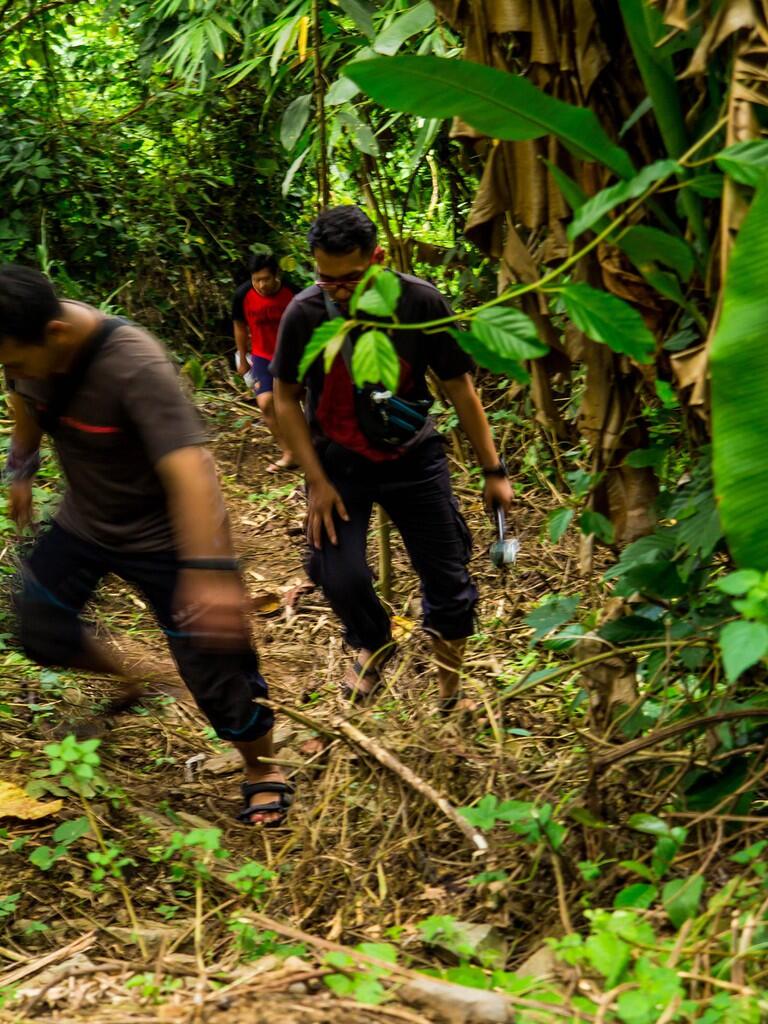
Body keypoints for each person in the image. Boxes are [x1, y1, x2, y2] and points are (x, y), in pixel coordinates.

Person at [0, 265, 293, 826]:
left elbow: (192, 468)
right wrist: (21, 470)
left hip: (165, 539)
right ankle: (134, 676)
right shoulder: (28, 353)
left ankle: (262, 768)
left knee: (215, 665)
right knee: (37, 621)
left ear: (56, 334)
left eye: (13, 361)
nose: (10, 373)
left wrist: (208, 571)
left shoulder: (134, 364)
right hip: (86, 523)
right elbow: (25, 405)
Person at [272, 206, 513, 709]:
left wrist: (494, 471)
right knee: (337, 573)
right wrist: (316, 480)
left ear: (377, 259)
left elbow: (460, 390)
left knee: (447, 581)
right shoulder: (305, 313)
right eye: (326, 279)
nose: (337, 289)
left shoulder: (419, 301)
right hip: (338, 462)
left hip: (413, 459)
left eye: (351, 279)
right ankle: (373, 637)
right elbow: (285, 396)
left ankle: (450, 694)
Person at [232, 252, 296, 472]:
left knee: (303, 400)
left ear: (276, 275)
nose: (261, 284)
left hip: (292, 355)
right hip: (262, 356)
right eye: (256, 279)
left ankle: (315, 447)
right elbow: (240, 326)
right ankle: (288, 453)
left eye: (265, 279)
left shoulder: (292, 291)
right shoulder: (242, 295)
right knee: (266, 403)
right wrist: (243, 359)